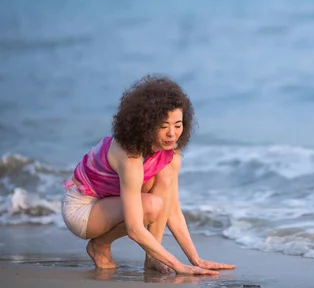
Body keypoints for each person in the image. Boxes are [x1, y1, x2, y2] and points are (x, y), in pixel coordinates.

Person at [61, 75, 235, 275]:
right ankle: (99, 245)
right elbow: (135, 230)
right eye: (163, 126)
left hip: (109, 201)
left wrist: (196, 259)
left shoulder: (170, 154)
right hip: (83, 210)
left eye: (178, 125)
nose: (172, 133)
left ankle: (152, 259)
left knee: (163, 179)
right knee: (153, 205)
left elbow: (173, 210)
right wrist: (178, 266)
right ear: (145, 125)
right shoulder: (129, 156)